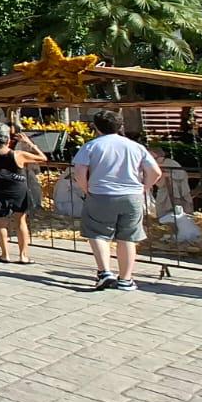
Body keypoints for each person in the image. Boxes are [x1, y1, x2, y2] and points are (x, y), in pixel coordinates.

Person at [72, 110, 161, 292]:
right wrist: (144, 187)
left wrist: (86, 188)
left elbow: (79, 171)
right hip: (131, 195)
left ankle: (105, 272)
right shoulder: (135, 146)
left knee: (97, 233)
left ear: (95, 127)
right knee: (128, 237)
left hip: (101, 193)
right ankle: (126, 279)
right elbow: (156, 172)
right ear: (120, 126)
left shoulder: (91, 146)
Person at [0, 122, 47, 264]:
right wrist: (30, 144)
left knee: (1, 223)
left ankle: (5, 254)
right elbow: (43, 158)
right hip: (17, 189)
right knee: (20, 221)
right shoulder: (19, 155)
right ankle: (23, 256)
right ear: (8, 140)